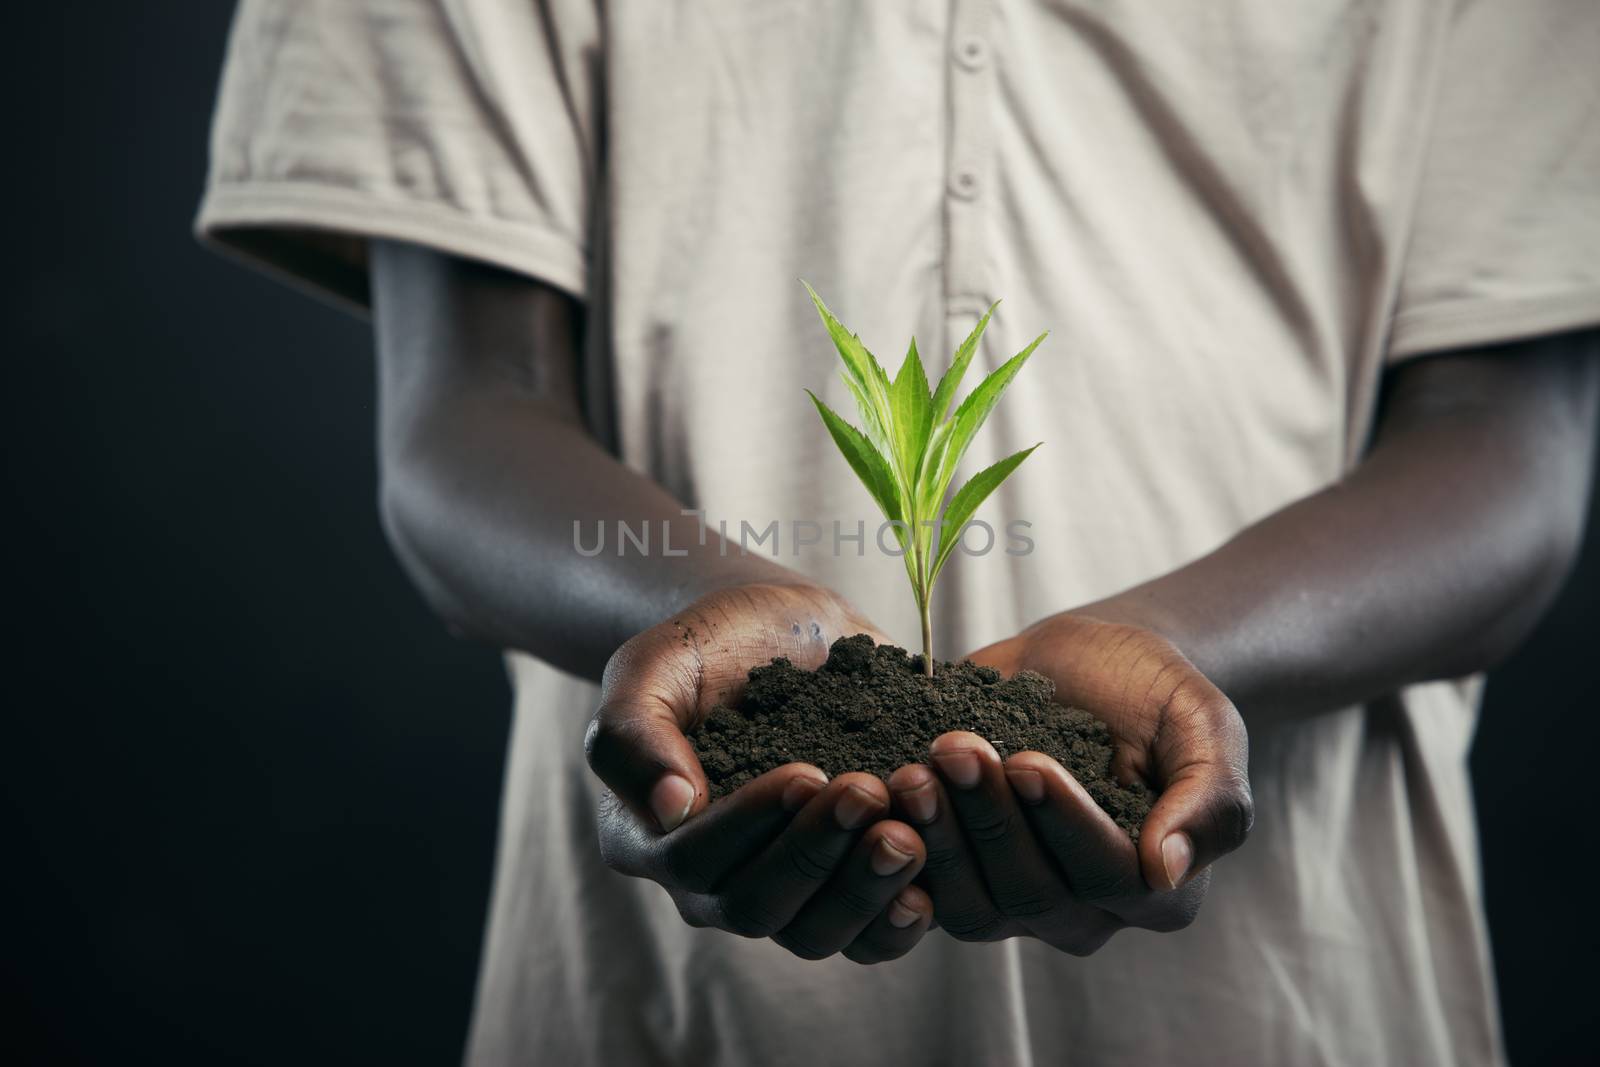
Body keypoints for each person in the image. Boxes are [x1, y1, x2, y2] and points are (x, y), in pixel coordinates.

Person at [197, 1, 1599, 1063]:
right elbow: (461, 426)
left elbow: (1510, 455)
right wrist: (702, 609)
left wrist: (1175, 651)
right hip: (674, 1017)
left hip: (1293, 1000)